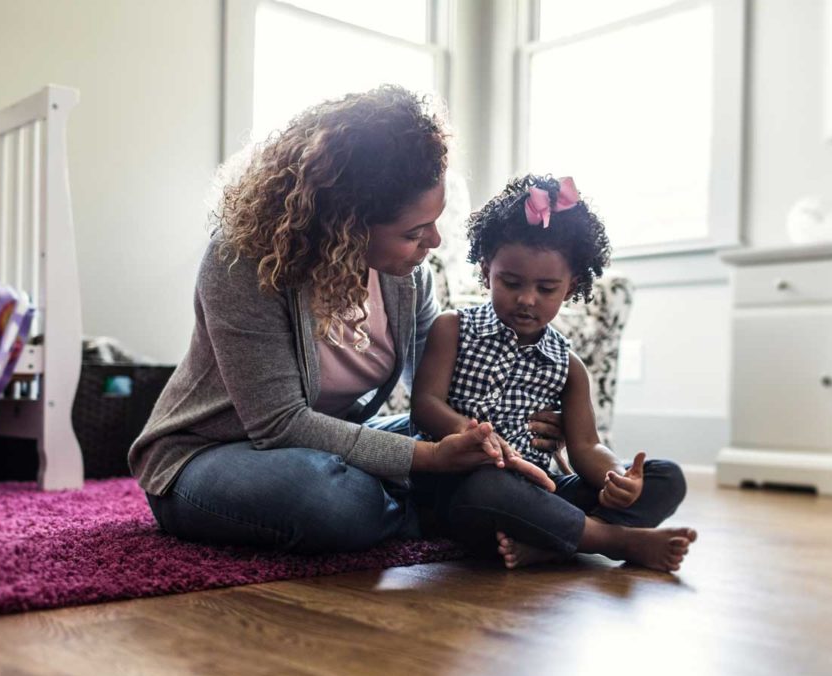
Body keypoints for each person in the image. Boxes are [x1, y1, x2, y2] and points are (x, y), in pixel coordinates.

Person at [128, 85, 554, 554]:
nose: (433, 242)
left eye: (434, 222)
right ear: (347, 223)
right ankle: (441, 511)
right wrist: (431, 459)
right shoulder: (242, 262)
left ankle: (424, 505)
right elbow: (281, 426)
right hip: (210, 454)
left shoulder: (408, 277)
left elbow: (443, 391)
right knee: (325, 497)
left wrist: (506, 426)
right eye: (413, 232)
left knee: (473, 451)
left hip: (330, 446)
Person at [411, 174, 696, 571]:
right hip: (464, 488)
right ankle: (614, 540)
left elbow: (586, 447)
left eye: (546, 289)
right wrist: (476, 438)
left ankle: (553, 542)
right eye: (510, 283)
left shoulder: (569, 365)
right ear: (486, 268)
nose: (527, 299)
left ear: (570, 286)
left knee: (666, 477)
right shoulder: (452, 329)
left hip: (540, 491)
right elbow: (423, 405)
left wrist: (617, 477)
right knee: (491, 487)